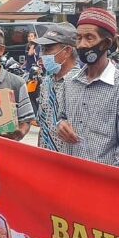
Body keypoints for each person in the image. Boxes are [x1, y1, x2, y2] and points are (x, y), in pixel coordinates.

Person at [56, 8, 119, 170]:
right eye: (78, 38)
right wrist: (61, 126)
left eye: (89, 38)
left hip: (102, 183)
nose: (82, 45)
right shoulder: (70, 82)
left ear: (107, 43)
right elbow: (61, 118)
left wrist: (110, 185)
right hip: (69, 174)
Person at [34, 23, 80, 152]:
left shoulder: (81, 83)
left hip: (69, 160)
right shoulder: (46, 82)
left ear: (67, 51)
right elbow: (43, 127)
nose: (43, 55)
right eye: (42, 50)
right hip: (46, 160)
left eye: (48, 49)